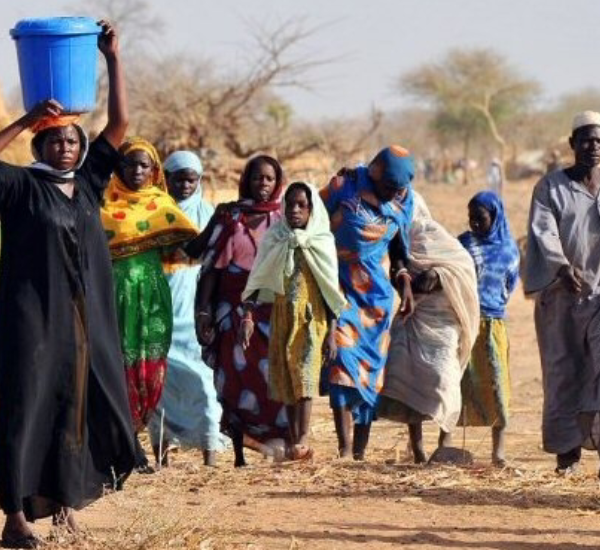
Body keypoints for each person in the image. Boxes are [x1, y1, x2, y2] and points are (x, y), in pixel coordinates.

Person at [0, 21, 135, 547]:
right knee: (24, 409)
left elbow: (120, 124)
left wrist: (113, 58)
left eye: (72, 139)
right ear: (40, 143)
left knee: (71, 409)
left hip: (81, 322)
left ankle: (63, 506)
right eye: (55, 139)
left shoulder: (89, 186)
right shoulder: (20, 187)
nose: (66, 146)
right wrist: (24, 118)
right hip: (30, 318)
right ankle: (14, 515)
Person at [101, 138, 199, 474]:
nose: (138, 171)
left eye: (145, 165)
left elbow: (190, 250)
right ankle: (124, 447)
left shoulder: (162, 205)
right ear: (118, 167)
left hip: (154, 296)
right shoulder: (103, 201)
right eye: (130, 164)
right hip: (113, 294)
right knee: (116, 366)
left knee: (151, 368)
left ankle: (134, 438)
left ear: (154, 169)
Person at [319, 145, 415, 460]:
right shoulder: (342, 187)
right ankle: (344, 450)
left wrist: (403, 278)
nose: (391, 193)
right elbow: (311, 221)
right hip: (338, 287)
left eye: (397, 188)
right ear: (374, 173)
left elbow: (400, 246)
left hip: (376, 300)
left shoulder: (404, 200)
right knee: (341, 362)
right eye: (387, 186)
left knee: (369, 376)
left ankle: (359, 452)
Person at [240, 182, 346, 460]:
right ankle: (291, 438)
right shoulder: (275, 238)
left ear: (312, 209)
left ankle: (302, 438)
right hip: (283, 317)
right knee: (287, 378)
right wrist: (248, 315)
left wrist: (333, 332)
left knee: (305, 376)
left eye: (302, 205)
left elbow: (330, 290)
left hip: (312, 319)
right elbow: (258, 279)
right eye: (290, 204)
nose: (295, 210)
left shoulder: (322, 241)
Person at [195, 155, 289, 467]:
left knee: (271, 381)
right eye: (257, 178)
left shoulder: (285, 219)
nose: (263, 184)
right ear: (246, 180)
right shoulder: (229, 216)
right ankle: (237, 453)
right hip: (231, 309)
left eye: (269, 179)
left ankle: (274, 447)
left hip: (272, 310)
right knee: (233, 379)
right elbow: (209, 267)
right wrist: (204, 313)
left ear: (277, 184)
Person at [524, 110, 600, 475]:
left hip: (599, 298)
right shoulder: (551, 187)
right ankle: (567, 456)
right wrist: (562, 267)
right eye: (586, 139)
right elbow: (544, 230)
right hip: (561, 298)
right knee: (564, 372)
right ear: (572, 144)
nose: (594, 146)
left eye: (599, 140)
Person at [379, 193, 479, 463]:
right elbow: (396, 274)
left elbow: (462, 267)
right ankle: (418, 448)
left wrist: (436, 275)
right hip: (412, 319)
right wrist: (406, 284)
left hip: (443, 321)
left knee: (444, 379)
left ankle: (445, 442)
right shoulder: (396, 242)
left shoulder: (433, 235)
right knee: (407, 377)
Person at [147, 151, 226, 467]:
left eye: (190, 179)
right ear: (164, 179)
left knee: (204, 385)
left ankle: (209, 455)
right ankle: (161, 457)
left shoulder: (209, 214)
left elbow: (218, 263)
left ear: (200, 180)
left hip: (196, 306)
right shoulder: (152, 213)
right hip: (159, 305)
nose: (184, 184)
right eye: (177, 178)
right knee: (160, 386)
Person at [458, 191, 519, 467]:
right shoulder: (462, 245)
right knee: (456, 382)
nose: (474, 223)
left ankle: (499, 453)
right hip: (464, 322)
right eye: (471, 218)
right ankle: (445, 446)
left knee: (497, 385)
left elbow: (509, 286)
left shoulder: (509, 250)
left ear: (494, 216)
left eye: (480, 218)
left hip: (493, 325)